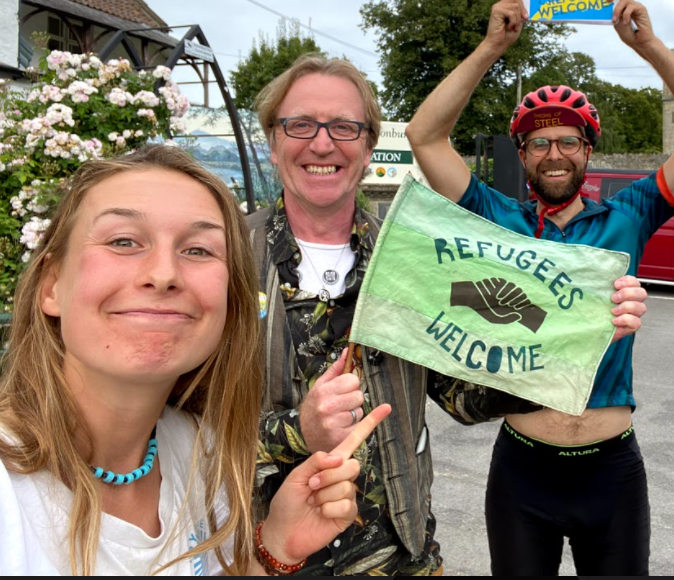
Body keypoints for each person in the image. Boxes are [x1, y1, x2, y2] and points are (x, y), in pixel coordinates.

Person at [249, 55, 650, 575]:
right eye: (300, 124)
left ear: (368, 145)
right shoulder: (226, 257)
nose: (323, 143)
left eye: (344, 127)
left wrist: (577, 334)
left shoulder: (407, 251)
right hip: (267, 558)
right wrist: (300, 430)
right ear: (272, 138)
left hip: (404, 559)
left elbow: (459, 393)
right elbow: (174, 431)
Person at [405, 0, 674, 575]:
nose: (555, 152)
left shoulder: (627, 216)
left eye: (569, 140)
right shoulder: (495, 218)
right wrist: (490, 46)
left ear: (587, 150)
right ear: (522, 154)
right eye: (539, 142)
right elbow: (424, 136)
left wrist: (650, 46)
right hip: (522, 468)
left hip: (612, 469)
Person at [0, 144, 388, 576]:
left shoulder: (199, 452)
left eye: (198, 250)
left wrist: (274, 545)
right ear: (51, 285)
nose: (163, 274)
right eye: (123, 241)